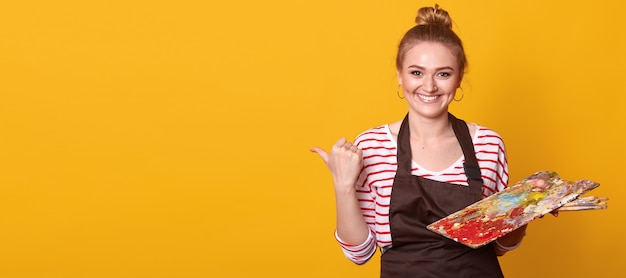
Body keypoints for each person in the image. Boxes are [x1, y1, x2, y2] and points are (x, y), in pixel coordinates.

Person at [311, 5, 547, 277]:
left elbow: (499, 246)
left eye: (443, 73)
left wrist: (524, 211)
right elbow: (359, 254)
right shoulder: (372, 146)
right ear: (399, 75)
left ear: (459, 78)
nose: (430, 86)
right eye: (416, 72)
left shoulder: (488, 145)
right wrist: (343, 185)